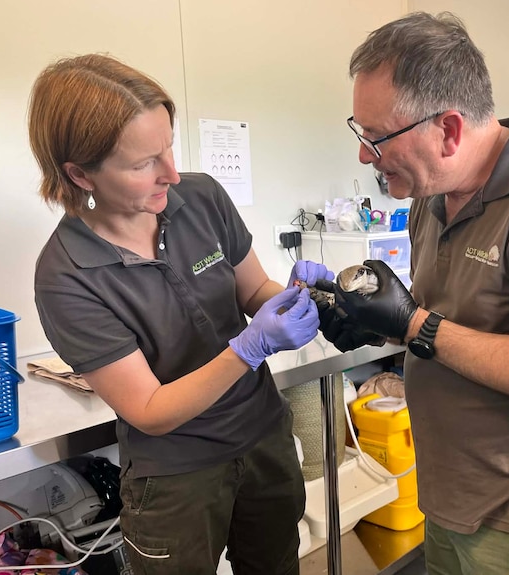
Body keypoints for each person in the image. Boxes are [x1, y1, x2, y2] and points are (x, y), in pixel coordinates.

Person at [322, 12, 509, 575]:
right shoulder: (430, 194)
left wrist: (413, 324)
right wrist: (380, 322)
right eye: (359, 132)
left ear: (450, 130)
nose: (365, 155)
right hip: (446, 494)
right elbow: (455, 320)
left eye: (377, 138)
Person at [28, 53, 333, 575]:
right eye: (143, 163)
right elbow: (148, 408)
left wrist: (296, 296)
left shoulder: (201, 197)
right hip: (176, 473)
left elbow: (254, 288)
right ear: (81, 174)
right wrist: (250, 347)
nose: (171, 172)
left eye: (168, 146)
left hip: (262, 436)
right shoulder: (66, 276)